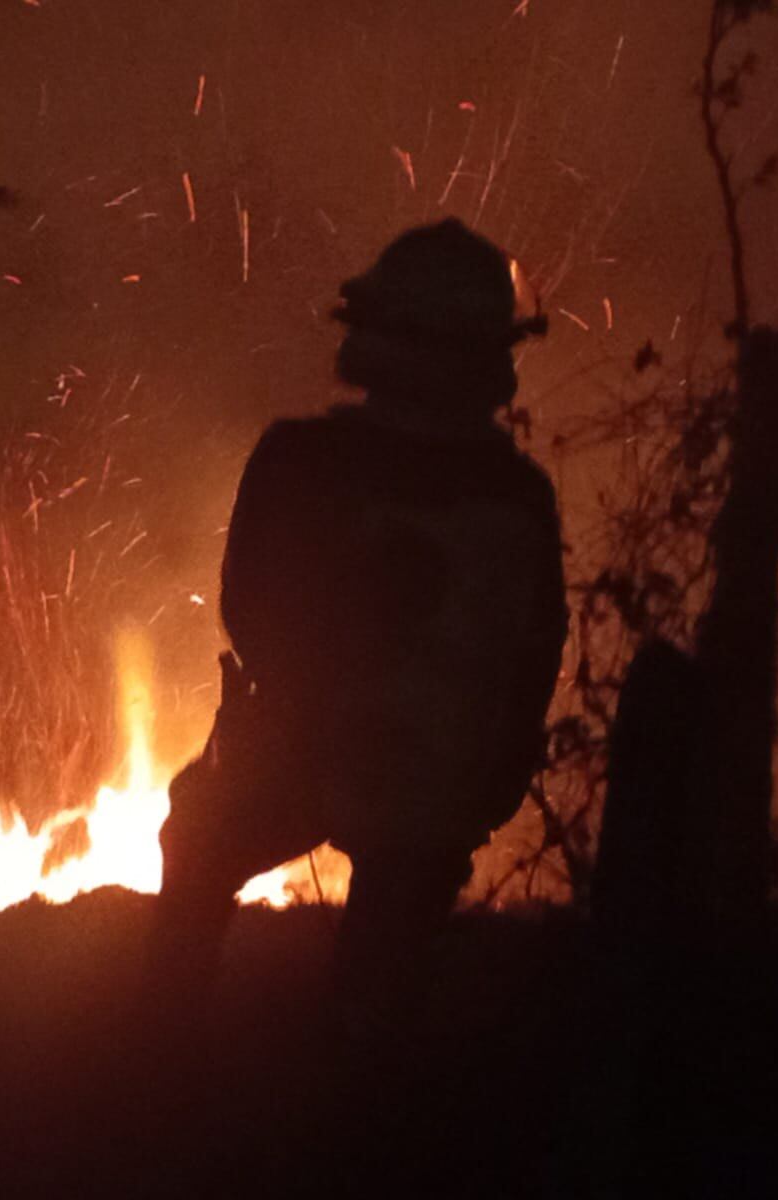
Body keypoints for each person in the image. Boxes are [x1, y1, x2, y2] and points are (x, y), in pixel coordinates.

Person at [153, 218, 568, 1019]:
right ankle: (370, 1081)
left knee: (200, 836)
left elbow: (251, 612)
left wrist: (321, 724)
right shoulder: (519, 497)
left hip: (309, 760)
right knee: (380, 1004)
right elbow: (534, 653)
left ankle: (156, 1067)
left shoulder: (299, 462)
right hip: (442, 789)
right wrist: (483, 776)